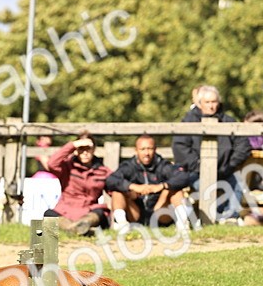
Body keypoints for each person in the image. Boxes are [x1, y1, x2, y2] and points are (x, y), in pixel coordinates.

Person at [170, 85, 251, 222]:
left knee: (237, 183)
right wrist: (198, 165)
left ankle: (231, 218)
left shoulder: (228, 121)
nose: (211, 106)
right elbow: (180, 147)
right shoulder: (188, 121)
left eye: (214, 102)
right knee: (206, 188)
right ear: (199, 103)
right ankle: (210, 219)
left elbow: (242, 145)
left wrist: (230, 164)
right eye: (207, 102)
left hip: (225, 170)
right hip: (195, 172)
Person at [104, 135, 180, 233]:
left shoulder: (163, 165)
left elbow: (182, 177)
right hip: (135, 213)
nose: (146, 153)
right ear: (136, 150)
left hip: (160, 212)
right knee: (117, 192)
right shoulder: (128, 166)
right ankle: (122, 224)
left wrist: (162, 186)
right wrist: (132, 187)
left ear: (155, 149)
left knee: (175, 189)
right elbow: (111, 180)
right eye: (142, 149)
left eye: (150, 149)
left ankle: (183, 224)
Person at [44, 132, 113, 235]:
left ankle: (78, 227)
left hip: (89, 211)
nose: (85, 152)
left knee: (101, 214)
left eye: (88, 149)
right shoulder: (67, 167)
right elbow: (51, 163)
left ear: (94, 149)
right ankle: (76, 229)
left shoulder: (103, 171)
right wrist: (73, 145)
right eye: (81, 149)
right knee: (49, 214)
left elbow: (116, 190)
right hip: (65, 211)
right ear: (76, 150)